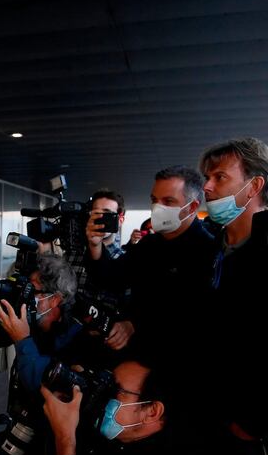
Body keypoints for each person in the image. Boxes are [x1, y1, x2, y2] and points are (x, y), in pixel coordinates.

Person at [41, 359, 243, 455]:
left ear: (152, 411)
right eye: (107, 382)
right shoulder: (151, 435)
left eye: (115, 391)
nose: (105, 396)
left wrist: (65, 438)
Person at [84, 167, 218, 405]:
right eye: (154, 200)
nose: (158, 208)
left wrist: (134, 324)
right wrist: (95, 246)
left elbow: (190, 314)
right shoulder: (150, 245)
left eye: (168, 201)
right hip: (130, 360)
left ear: (192, 206)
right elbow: (113, 278)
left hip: (177, 371)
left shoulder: (208, 251)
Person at [199, 137, 268, 455]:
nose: (207, 186)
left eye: (220, 177)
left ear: (254, 185)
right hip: (212, 415)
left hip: (249, 430)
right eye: (207, 177)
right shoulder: (214, 249)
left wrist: (251, 423)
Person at [0, 254, 84, 455]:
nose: (27, 296)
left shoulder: (77, 332)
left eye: (34, 291)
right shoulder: (28, 318)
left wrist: (22, 340)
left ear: (55, 299)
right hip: (24, 421)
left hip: (60, 430)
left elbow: (43, 382)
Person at [65, 189, 134, 352]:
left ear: (121, 219)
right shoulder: (72, 256)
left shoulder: (129, 261)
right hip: (64, 340)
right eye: (95, 213)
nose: (100, 220)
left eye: (107, 214)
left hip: (102, 349)